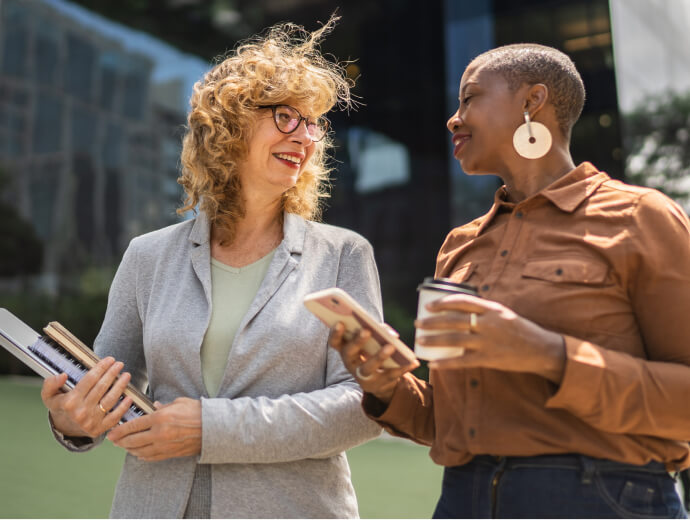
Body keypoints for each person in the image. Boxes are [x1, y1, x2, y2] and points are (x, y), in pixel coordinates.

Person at [40, 17, 382, 519]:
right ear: (230, 125)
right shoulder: (147, 256)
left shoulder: (344, 255)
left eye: (314, 124)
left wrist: (211, 428)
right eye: (287, 116)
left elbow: (365, 404)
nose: (306, 137)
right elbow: (108, 389)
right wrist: (73, 418)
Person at [330, 43, 690, 518]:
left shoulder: (640, 217)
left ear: (531, 101)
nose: (453, 119)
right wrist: (387, 388)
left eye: (469, 98)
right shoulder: (459, 245)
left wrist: (546, 353)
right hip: (465, 498)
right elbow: (450, 423)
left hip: (600, 497)